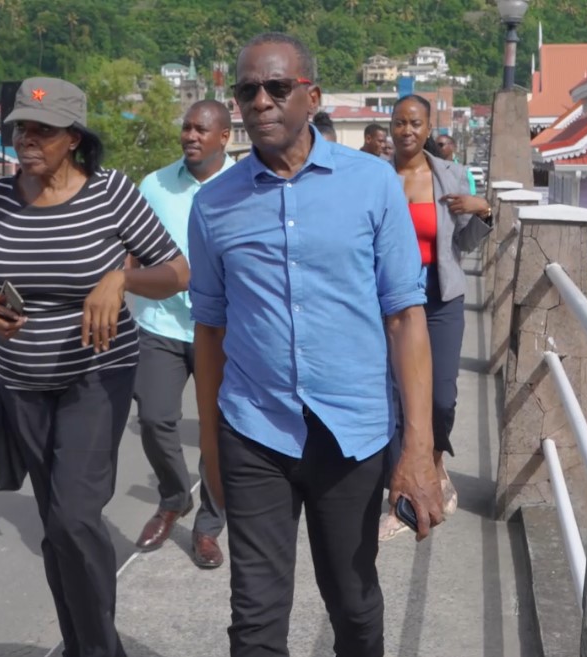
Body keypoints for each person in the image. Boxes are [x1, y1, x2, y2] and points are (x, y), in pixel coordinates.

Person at [188, 33, 445, 656]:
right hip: (255, 431)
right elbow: (211, 332)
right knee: (254, 619)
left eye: (277, 88)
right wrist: (211, 448)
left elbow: (406, 319)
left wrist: (418, 447)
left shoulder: (372, 185)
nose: (260, 102)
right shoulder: (214, 205)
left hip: (351, 433)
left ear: (312, 95)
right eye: (247, 90)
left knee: (354, 607)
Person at [0, 76, 190, 657]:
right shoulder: (0, 197)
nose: (27, 140)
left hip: (97, 374)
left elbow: (175, 272)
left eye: (43, 130)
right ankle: (80, 641)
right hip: (19, 381)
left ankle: (97, 649)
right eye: (20, 128)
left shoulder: (111, 192)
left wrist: (121, 278)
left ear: (73, 138)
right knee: (55, 527)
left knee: (73, 519)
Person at [379, 94, 493, 542]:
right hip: (388, 300)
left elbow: (465, 244)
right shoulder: (375, 177)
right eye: (399, 122)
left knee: (441, 396)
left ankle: (435, 459)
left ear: (428, 128)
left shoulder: (449, 174)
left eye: (415, 123)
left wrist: (481, 209)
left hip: (439, 297)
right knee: (395, 398)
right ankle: (400, 496)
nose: (406, 130)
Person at [130, 100, 233, 568]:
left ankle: (210, 528)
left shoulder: (246, 185)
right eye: (186, 128)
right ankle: (174, 497)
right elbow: (130, 248)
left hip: (224, 330)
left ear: (224, 137)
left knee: (217, 430)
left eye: (201, 130)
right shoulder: (154, 185)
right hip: (161, 324)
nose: (190, 136)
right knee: (153, 418)